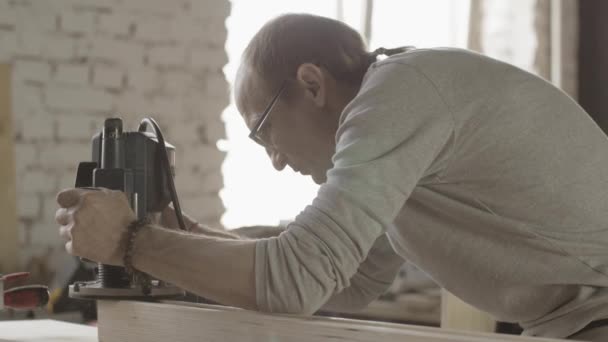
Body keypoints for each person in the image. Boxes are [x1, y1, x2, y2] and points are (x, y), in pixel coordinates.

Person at [55, 13, 608, 341]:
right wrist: (188, 240)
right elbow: (348, 279)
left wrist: (131, 242)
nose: (274, 159)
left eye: (264, 131)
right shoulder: (406, 116)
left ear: (312, 84)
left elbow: (297, 279)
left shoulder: (400, 93)